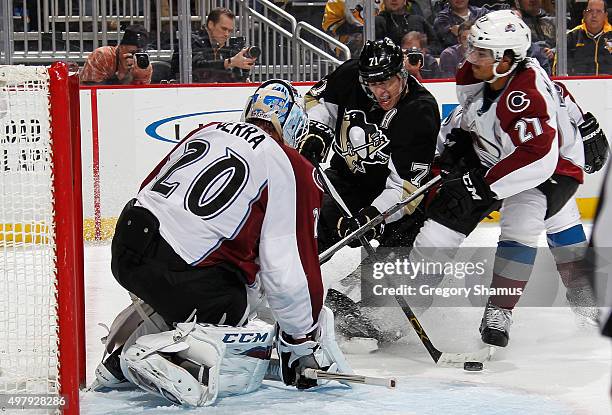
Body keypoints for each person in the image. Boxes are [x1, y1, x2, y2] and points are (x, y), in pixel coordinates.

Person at [90, 80, 350, 405]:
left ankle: (118, 361)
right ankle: (173, 358)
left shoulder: (210, 130)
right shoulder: (290, 165)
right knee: (238, 298)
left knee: (195, 284)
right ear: (295, 125)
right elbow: (287, 267)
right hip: (180, 269)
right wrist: (300, 341)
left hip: (127, 247)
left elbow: (150, 186)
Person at [411, 10, 586, 348]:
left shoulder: (525, 95)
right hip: (496, 156)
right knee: (443, 221)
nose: (471, 57)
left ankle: (500, 309)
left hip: (552, 169)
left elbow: (537, 157)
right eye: (473, 49)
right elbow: (474, 111)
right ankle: (408, 298)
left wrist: (482, 185)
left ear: (506, 60)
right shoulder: (485, 74)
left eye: (481, 53)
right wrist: (450, 144)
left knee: (523, 221)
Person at [297, 38, 440, 339]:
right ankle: (284, 291)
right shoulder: (351, 74)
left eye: (388, 81)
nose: (382, 91)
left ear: (402, 73)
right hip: (345, 181)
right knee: (306, 230)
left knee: (404, 265)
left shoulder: (420, 110)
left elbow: (405, 189)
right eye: (374, 84)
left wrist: (373, 217)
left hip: (394, 199)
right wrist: (316, 132)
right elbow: (317, 103)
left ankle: (375, 321)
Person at [170, 8, 256, 83]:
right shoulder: (191, 40)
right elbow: (198, 67)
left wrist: (244, 70)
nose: (227, 34)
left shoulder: (222, 47)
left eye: (230, 31)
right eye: (223, 29)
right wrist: (231, 62)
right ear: (211, 24)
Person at [80, 24, 152, 85]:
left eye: (139, 53)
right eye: (132, 53)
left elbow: (142, 95)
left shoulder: (143, 64)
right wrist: (120, 75)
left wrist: (134, 75)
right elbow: (89, 90)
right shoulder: (102, 56)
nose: (134, 58)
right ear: (120, 47)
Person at [566, 0, 612, 76]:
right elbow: (559, 68)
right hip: (578, 85)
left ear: (605, 15)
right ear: (584, 13)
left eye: (599, 11)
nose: (594, 15)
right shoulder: (571, 37)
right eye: (590, 11)